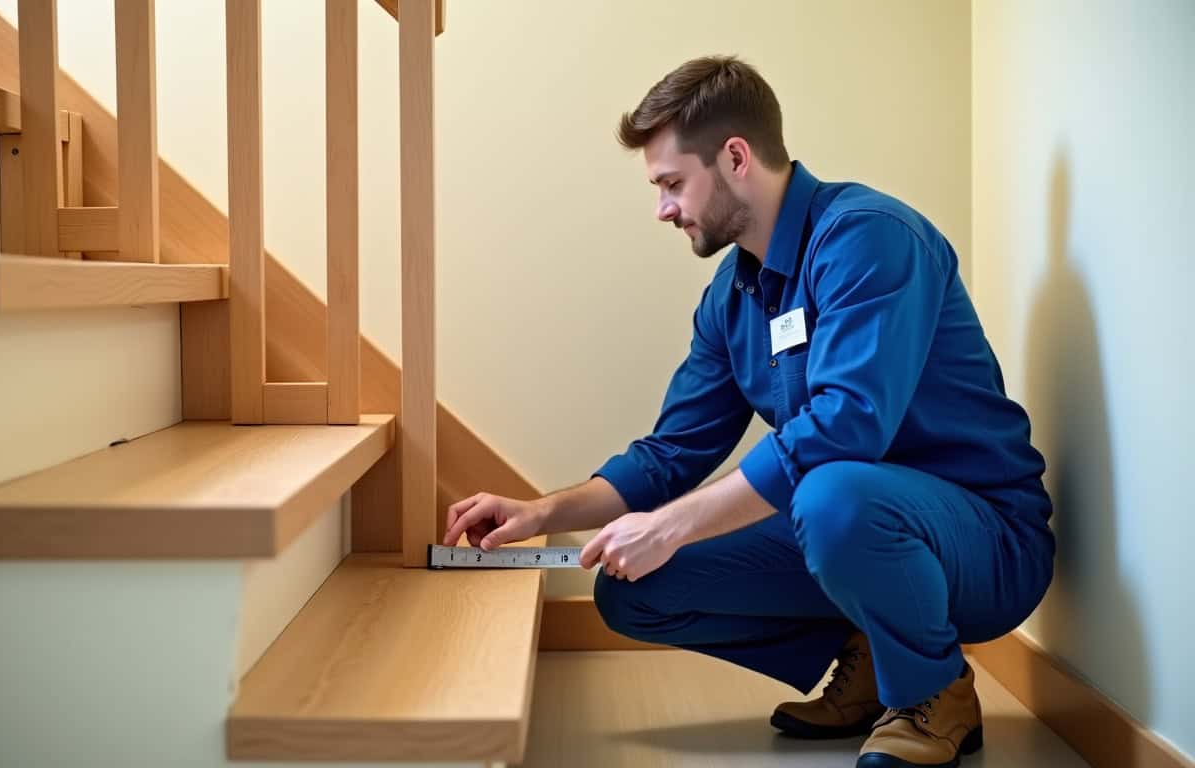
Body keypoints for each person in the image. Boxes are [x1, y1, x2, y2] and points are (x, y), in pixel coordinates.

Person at [442, 55, 1055, 768]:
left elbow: (846, 426)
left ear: (735, 157)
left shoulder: (871, 239)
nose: (663, 209)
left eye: (672, 184)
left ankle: (933, 690)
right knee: (631, 589)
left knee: (831, 491)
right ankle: (875, 658)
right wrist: (542, 512)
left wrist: (672, 523)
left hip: (986, 544)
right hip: (853, 522)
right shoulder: (732, 298)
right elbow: (671, 452)